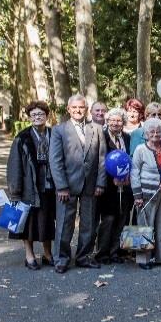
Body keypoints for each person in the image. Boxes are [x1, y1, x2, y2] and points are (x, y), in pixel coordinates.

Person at [49, 95, 106, 273]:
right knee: (65, 223)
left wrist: (100, 183)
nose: (78, 110)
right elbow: (55, 161)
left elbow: (102, 159)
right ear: (68, 109)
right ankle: (61, 259)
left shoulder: (96, 129)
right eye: (74, 108)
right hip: (67, 186)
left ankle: (83, 257)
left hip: (91, 185)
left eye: (81, 107)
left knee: (88, 223)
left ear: (86, 109)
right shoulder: (59, 130)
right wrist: (61, 186)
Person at [7, 101, 56, 270]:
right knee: (27, 223)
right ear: (29, 117)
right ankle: (29, 255)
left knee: (48, 222)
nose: (37, 117)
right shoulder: (22, 138)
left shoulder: (53, 134)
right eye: (34, 115)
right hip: (29, 187)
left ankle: (48, 254)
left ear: (46, 116)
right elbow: (15, 166)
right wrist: (15, 192)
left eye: (40, 114)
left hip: (50, 187)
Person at [130, 118, 161, 269]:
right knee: (144, 227)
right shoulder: (140, 149)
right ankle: (144, 259)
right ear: (146, 134)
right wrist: (137, 196)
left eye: (158, 132)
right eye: (152, 132)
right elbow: (134, 172)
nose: (155, 134)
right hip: (146, 195)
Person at [95, 108, 133, 265]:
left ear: (123, 122)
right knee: (108, 220)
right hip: (108, 187)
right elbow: (100, 162)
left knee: (122, 219)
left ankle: (115, 251)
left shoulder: (127, 137)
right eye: (113, 120)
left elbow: (129, 159)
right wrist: (112, 178)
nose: (116, 123)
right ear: (107, 121)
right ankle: (102, 253)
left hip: (125, 186)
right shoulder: (102, 137)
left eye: (119, 120)